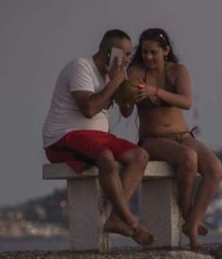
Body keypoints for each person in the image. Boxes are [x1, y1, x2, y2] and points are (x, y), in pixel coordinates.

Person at [42, 29, 154, 246]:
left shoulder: (112, 75)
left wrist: (126, 89)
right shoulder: (80, 67)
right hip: (64, 136)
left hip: (99, 136)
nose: (129, 59)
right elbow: (89, 109)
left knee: (140, 155)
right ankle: (132, 223)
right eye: (126, 54)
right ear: (110, 52)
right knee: (105, 156)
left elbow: (126, 111)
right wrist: (115, 82)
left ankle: (114, 220)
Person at [119, 28, 222, 249]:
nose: (148, 57)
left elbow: (186, 102)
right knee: (188, 157)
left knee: (214, 167)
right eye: (145, 52)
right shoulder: (136, 71)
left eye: (153, 52)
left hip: (183, 135)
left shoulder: (178, 71)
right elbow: (126, 111)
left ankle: (191, 223)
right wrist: (127, 96)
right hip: (153, 139)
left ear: (165, 51)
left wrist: (154, 92)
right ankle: (187, 210)